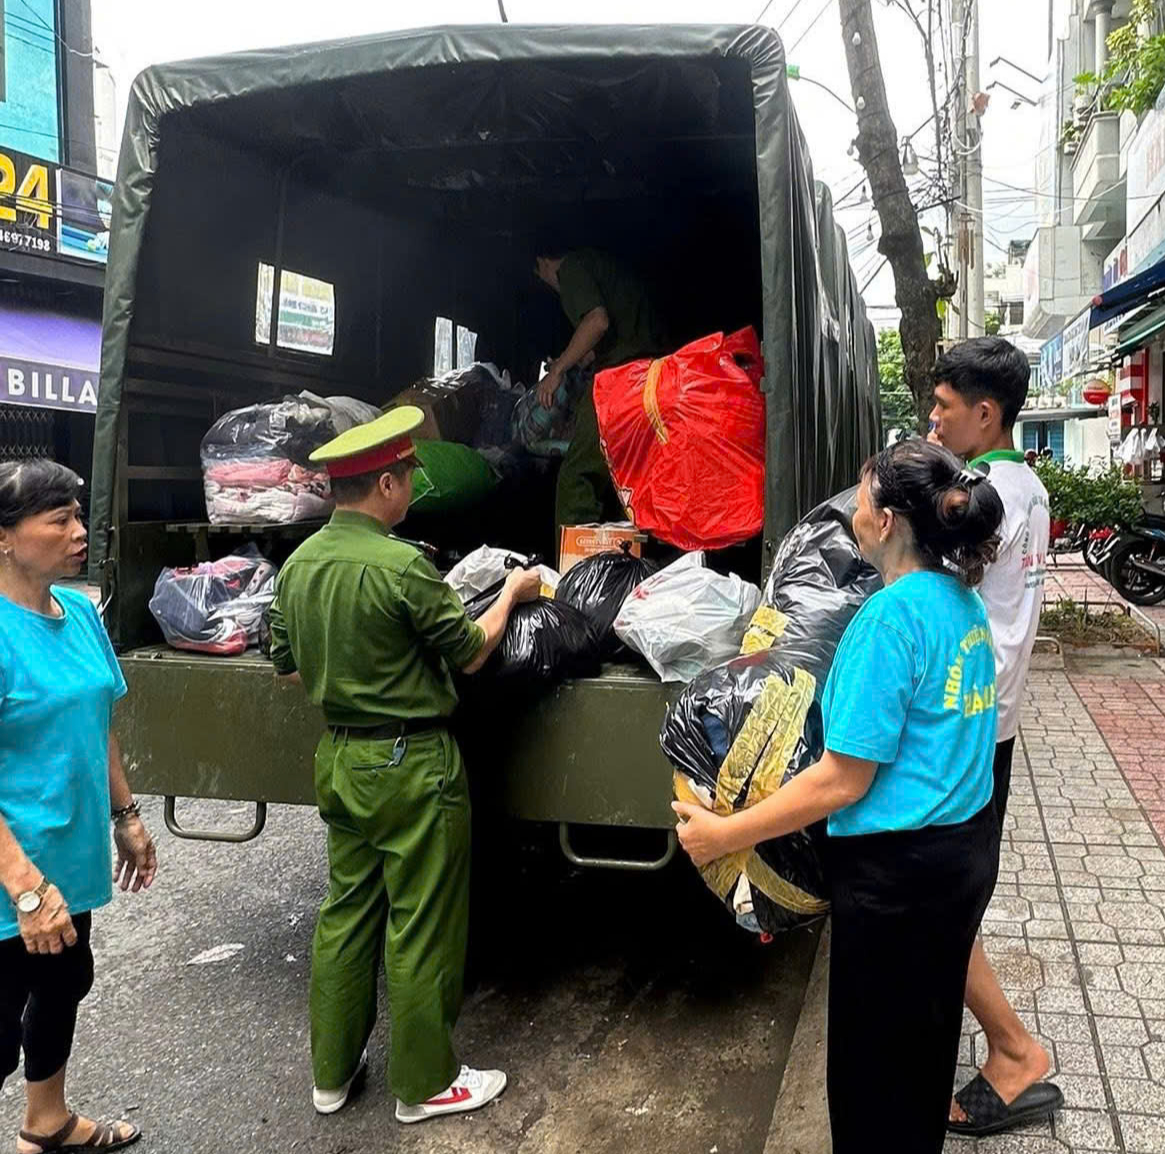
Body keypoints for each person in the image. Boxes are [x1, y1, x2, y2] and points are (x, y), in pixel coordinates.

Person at [673, 439, 1006, 1154]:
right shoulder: (962, 604)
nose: (851, 513)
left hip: (898, 881)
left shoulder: (886, 622)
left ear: (886, 523)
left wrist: (722, 837)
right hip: (963, 856)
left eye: (860, 500)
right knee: (923, 1046)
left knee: (871, 1078)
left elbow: (841, 779)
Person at [268, 407, 542, 1126]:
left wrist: (352, 667)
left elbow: (287, 668)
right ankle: (424, 1083)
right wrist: (513, 592)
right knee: (421, 920)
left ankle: (331, 1073)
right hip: (412, 761)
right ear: (385, 483)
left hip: (342, 759)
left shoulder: (298, 565)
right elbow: (472, 650)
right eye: (410, 476)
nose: (413, 486)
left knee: (347, 911)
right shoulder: (401, 565)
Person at [926, 337, 1063, 1135]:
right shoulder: (1026, 485)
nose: (935, 422)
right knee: (954, 895)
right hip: (991, 717)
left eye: (944, 409)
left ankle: (1014, 1051)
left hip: (965, 722)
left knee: (944, 901)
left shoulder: (987, 495)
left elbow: (929, 585)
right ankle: (1002, 1046)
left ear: (986, 413)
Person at [0, 460, 156, 1154]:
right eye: (56, 518)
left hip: (73, 854)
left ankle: (48, 1123)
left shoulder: (82, 613)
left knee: (64, 984)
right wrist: (26, 889)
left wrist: (127, 817)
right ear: (4, 537)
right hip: (14, 872)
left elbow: (100, 724)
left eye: (77, 514)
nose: (77, 531)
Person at [533, 245, 664, 532]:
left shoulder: (571, 268)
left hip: (622, 380)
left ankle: (575, 571)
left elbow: (597, 321)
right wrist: (570, 358)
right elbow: (595, 346)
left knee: (576, 477)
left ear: (543, 263)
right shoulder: (602, 264)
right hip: (650, 379)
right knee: (627, 477)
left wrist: (556, 371)